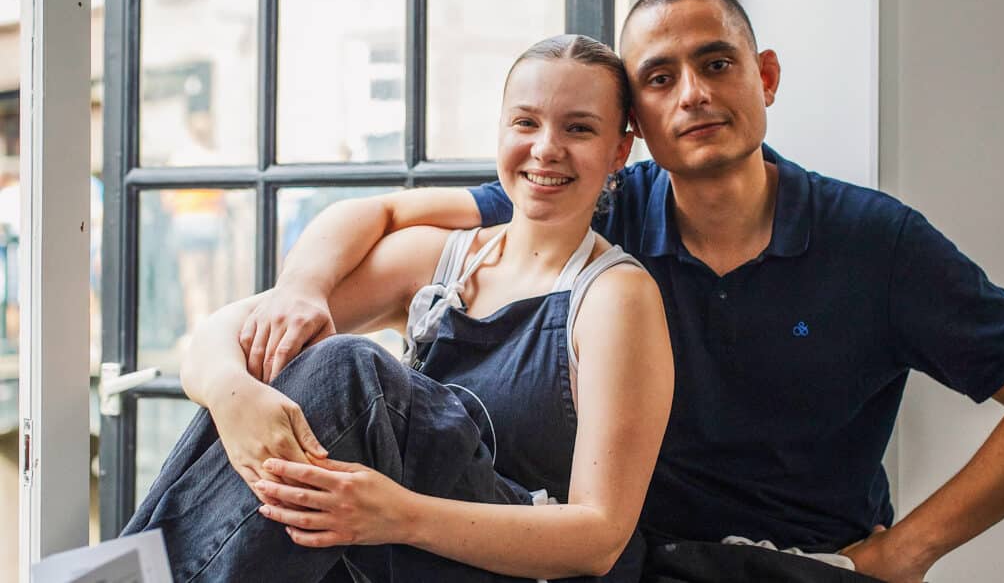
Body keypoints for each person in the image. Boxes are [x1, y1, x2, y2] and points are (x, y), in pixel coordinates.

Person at [240, 0, 1004, 583]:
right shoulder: (599, 204)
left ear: (767, 76)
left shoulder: (876, 243)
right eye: (659, 78)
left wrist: (914, 546)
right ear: (634, 129)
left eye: (717, 63)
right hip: (631, 562)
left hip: (807, 564)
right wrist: (298, 288)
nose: (693, 94)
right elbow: (382, 214)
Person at [124, 35, 674, 582]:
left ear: (619, 151)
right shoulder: (444, 258)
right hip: (400, 557)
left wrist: (396, 516)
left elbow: (598, 540)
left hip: (517, 567)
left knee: (351, 372)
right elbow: (231, 331)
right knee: (278, 357)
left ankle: (121, 573)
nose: (546, 148)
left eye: (578, 128)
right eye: (526, 123)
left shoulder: (615, 297)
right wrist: (232, 393)